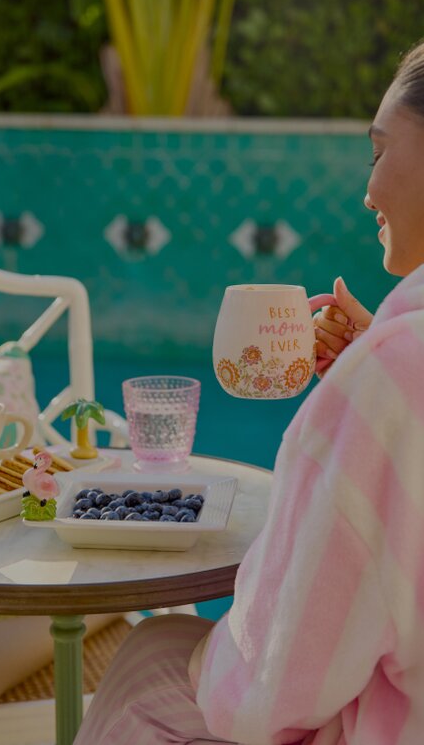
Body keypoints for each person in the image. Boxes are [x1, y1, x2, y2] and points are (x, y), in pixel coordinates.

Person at [74, 39, 424, 745]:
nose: (366, 190)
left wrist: (379, 377)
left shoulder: (392, 376)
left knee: (147, 661)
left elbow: (279, 681)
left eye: (377, 152)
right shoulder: (393, 364)